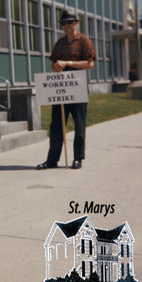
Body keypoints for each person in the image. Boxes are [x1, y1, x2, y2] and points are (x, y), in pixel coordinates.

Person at [37, 10, 96, 170]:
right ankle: (52, 159)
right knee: (56, 124)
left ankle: (78, 158)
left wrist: (68, 62)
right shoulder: (60, 43)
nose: (66, 26)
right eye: (64, 23)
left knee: (79, 124)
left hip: (78, 86)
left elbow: (89, 64)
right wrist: (56, 66)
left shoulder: (84, 41)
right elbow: (53, 64)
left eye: (69, 22)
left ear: (76, 23)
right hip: (61, 87)